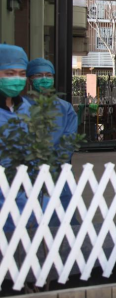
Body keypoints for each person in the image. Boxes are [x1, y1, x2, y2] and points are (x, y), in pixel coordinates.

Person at [25, 58, 79, 211]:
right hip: (27, 172)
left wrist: (52, 163)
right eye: (39, 75)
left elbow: (68, 141)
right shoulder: (21, 108)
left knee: (61, 215)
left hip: (58, 170)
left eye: (48, 75)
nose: (44, 79)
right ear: (29, 79)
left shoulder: (65, 108)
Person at [0, 45, 31, 231]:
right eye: (9, 73)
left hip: (21, 185)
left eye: (21, 74)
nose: (16, 79)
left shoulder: (26, 107)